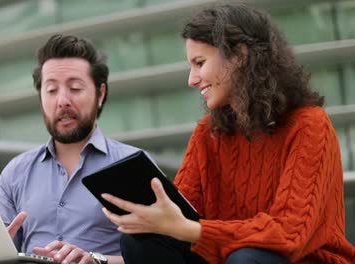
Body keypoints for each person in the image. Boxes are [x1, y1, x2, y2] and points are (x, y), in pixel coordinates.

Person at [101, 4, 355, 264]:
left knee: (245, 259)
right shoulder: (206, 134)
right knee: (140, 243)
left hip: (303, 260)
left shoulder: (309, 124)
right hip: (229, 258)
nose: (192, 79)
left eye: (200, 63)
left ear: (239, 56)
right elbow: (181, 216)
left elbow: (290, 234)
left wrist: (191, 230)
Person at [0, 34, 141, 264]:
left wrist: (97, 260)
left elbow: (163, 256)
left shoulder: (134, 165)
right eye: (51, 90)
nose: (62, 100)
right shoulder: (15, 173)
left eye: (74, 88)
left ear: (100, 94)